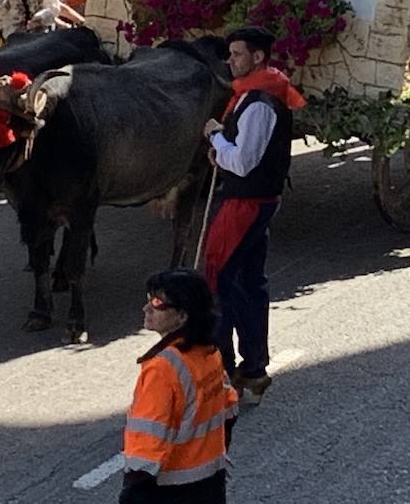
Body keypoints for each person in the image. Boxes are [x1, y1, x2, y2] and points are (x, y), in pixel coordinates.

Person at [200, 27, 304, 399]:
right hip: (256, 199)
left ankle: (225, 373)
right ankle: (254, 368)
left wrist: (215, 136)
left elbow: (243, 162)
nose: (230, 61)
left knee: (218, 281)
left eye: (237, 54)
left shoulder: (259, 102)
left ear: (258, 57)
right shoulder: (257, 92)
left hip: (247, 202)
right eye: (230, 54)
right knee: (248, 283)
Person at [120, 268, 237, 504]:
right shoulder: (210, 353)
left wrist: (133, 495)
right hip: (210, 482)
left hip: (169, 491)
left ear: (182, 316)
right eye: (148, 299)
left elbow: (147, 445)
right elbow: (230, 409)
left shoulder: (162, 369)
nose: (147, 309)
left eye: (157, 303)